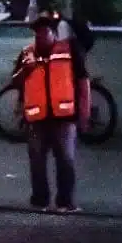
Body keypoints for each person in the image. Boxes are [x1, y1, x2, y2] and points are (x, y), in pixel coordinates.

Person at [20, 13, 92, 213]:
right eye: (37, 33)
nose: (40, 36)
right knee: (37, 162)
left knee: (66, 161)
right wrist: (20, 111)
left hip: (64, 117)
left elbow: (83, 82)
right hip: (36, 118)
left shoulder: (70, 50)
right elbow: (19, 83)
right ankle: (40, 201)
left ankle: (64, 202)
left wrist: (84, 113)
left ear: (54, 33)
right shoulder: (27, 54)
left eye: (45, 32)